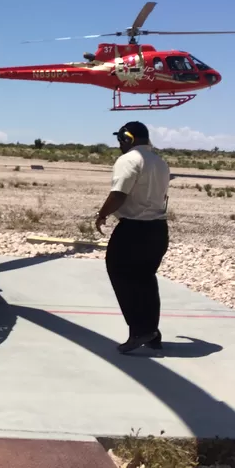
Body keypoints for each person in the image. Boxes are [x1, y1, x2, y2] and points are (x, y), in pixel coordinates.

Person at [94, 121, 171, 353]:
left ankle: (139, 330)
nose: (119, 145)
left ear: (128, 139)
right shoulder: (160, 162)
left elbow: (118, 194)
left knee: (121, 275)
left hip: (134, 230)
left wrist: (102, 214)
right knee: (146, 279)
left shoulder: (128, 160)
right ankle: (151, 331)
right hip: (158, 230)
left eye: (121, 140)